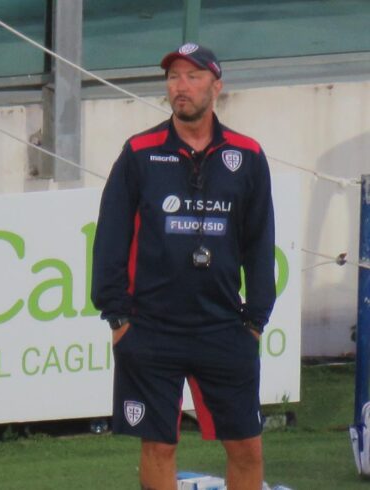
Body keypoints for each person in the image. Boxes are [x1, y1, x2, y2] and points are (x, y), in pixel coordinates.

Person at [91, 43, 275, 490]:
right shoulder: (138, 153)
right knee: (158, 447)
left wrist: (256, 318)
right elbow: (110, 239)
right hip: (151, 328)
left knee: (246, 446)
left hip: (223, 327)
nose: (181, 87)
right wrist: (117, 318)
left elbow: (259, 242)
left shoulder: (247, 156)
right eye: (174, 77)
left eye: (193, 77)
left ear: (217, 86)